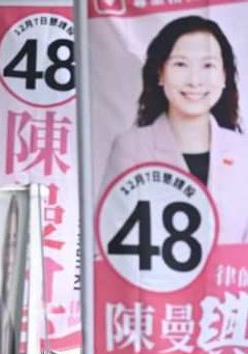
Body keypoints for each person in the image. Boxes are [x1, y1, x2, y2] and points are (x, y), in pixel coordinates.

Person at [104, 15, 248, 243]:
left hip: (231, 278)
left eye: (208, 65)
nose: (194, 81)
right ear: (160, 73)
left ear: (224, 76)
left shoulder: (243, 152)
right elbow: (112, 235)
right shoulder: (131, 148)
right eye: (181, 64)